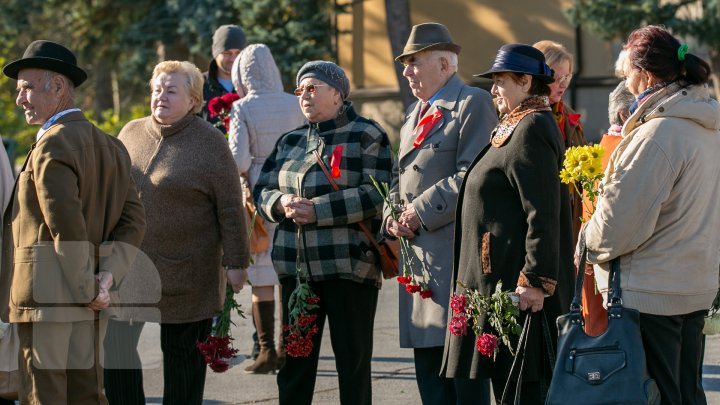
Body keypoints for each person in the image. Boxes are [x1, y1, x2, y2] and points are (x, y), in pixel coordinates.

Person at [0, 40, 146, 405]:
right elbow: (134, 220)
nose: (20, 99)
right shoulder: (112, 145)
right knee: (87, 394)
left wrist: (89, 289)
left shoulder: (52, 144)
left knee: (44, 396)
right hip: (91, 297)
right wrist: (106, 279)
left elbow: (65, 227)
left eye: (27, 87)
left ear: (59, 86)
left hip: (48, 301)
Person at [584, 25, 720, 404]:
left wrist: (586, 241)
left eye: (627, 73)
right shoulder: (705, 128)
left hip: (651, 293)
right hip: (693, 285)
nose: (625, 82)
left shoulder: (657, 135)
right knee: (686, 392)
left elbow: (618, 224)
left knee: (654, 395)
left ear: (644, 73)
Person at [254, 61, 392, 405]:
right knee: (295, 368)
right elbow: (262, 191)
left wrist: (318, 210)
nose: (304, 96)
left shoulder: (367, 134)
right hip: (297, 272)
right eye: (300, 89)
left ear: (337, 94)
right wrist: (282, 202)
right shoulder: (290, 141)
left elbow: (378, 193)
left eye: (312, 87)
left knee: (353, 366)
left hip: (349, 269)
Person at [441, 44, 569, 405]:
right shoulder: (515, 124)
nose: (493, 89)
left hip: (517, 287)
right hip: (495, 279)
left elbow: (542, 211)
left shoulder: (533, 127)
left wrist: (535, 282)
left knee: (523, 392)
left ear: (526, 81)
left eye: (500, 81)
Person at [117, 60, 250, 405]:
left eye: (171, 90)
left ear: (193, 100)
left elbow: (231, 207)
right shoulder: (130, 132)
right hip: (131, 269)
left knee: (183, 367)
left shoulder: (210, 143)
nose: (161, 96)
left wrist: (236, 260)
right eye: (157, 89)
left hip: (188, 273)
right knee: (114, 351)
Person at [383, 22, 497, 405]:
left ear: (446, 65)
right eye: (405, 64)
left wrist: (418, 211)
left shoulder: (472, 103)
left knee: (464, 385)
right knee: (431, 384)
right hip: (419, 264)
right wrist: (391, 214)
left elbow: (473, 175)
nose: (406, 71)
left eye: (414, 62)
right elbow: (399, 178)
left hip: (454, 264)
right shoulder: (414, 111)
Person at [228, 44, 305, 374]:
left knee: (261, 270)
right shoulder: (295, 102)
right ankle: (292, 347)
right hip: (296, 186)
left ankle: (266, 351)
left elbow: (239, 160)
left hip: (261, 190)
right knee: (290, 268)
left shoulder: (242, 108)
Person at [533, 40, 586, 312]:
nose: (563, 84)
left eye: (567, 77)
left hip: (569, 218)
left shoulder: (568, 116)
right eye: (556, 77)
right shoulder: (526, 115)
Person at [580, 80, 634, 337]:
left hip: (597, 264)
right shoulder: (619, 152)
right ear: (625, 114)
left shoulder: (604, 148)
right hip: (608, 269)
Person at [200, 24, 247, 125]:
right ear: (216, 53)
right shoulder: (199, 84)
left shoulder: (251, 85)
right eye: (227, 53)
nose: (233, 59)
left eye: (238, 53)